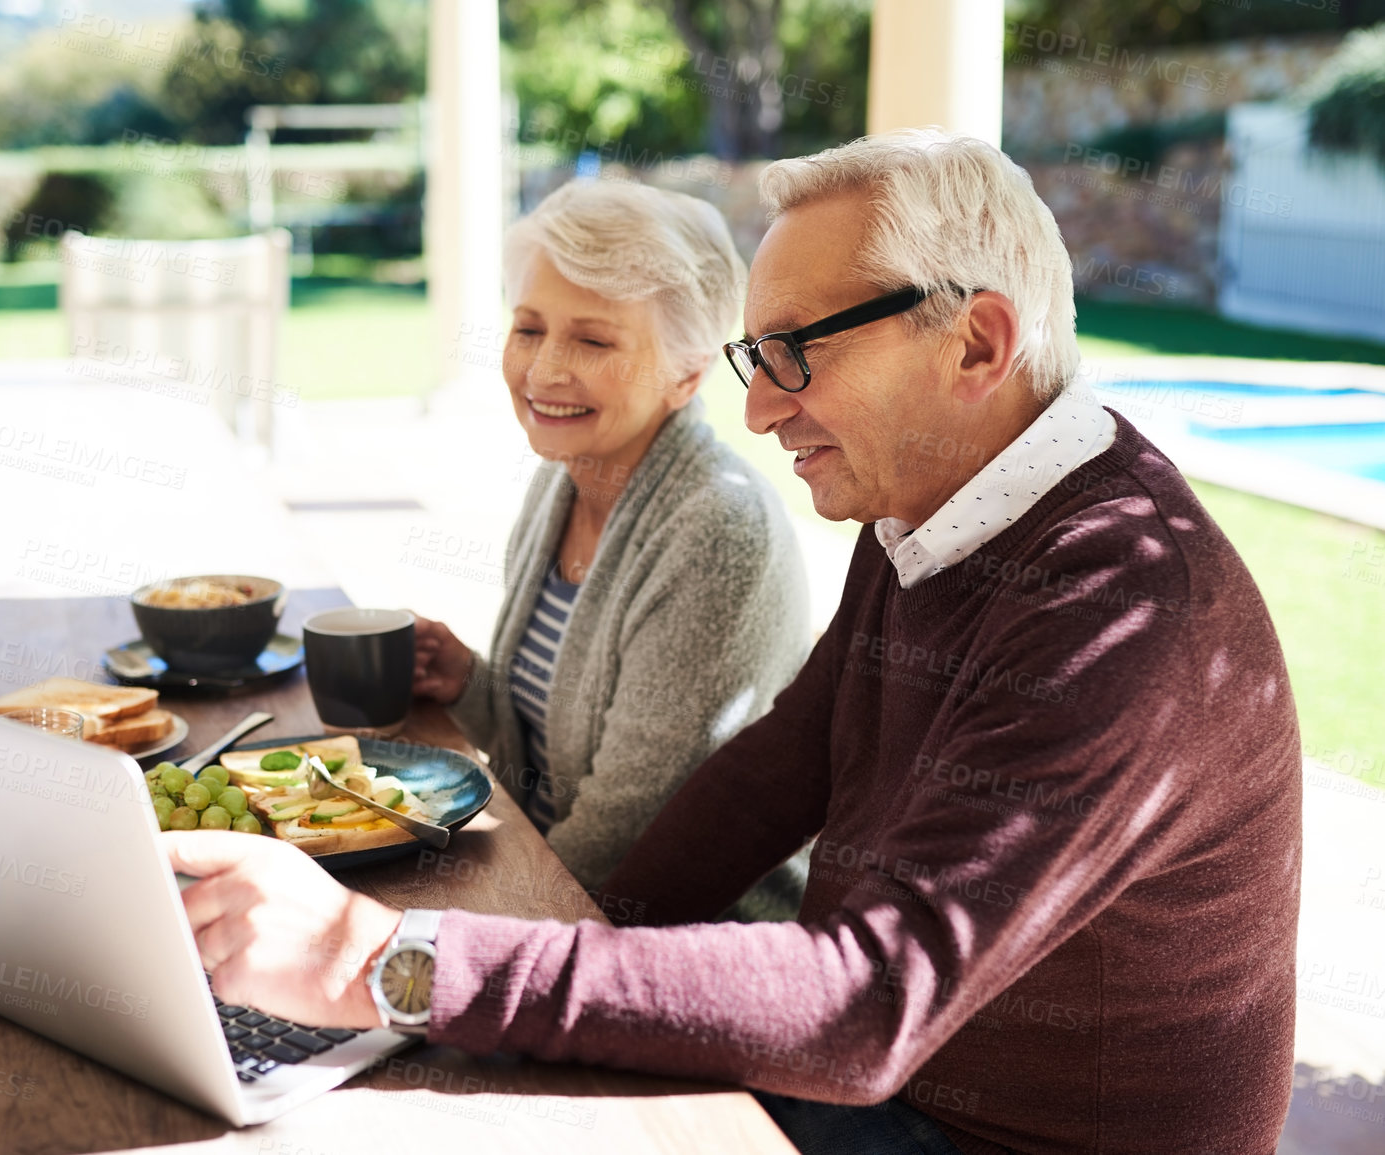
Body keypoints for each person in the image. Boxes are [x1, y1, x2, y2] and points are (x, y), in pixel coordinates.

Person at [166, 131, 1301, 1155]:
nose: (758, 412)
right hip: (891, 1092)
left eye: (797, 352)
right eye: (757, 358)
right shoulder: (934, 502)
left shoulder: (1124, 605)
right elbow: (776, 769)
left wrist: (383, 961)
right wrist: (515, 959)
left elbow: (867, 1003)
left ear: (977, 344)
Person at [409, 179, 812, 917]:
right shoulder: (563, 478)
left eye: (592, 340)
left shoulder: (716, 528)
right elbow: (552, 758)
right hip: (556, 902)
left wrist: (426, 925)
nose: (542, 370)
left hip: (678, 950)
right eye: (528, 328)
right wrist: (469, 681)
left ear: (687, 374)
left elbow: (623, 836)